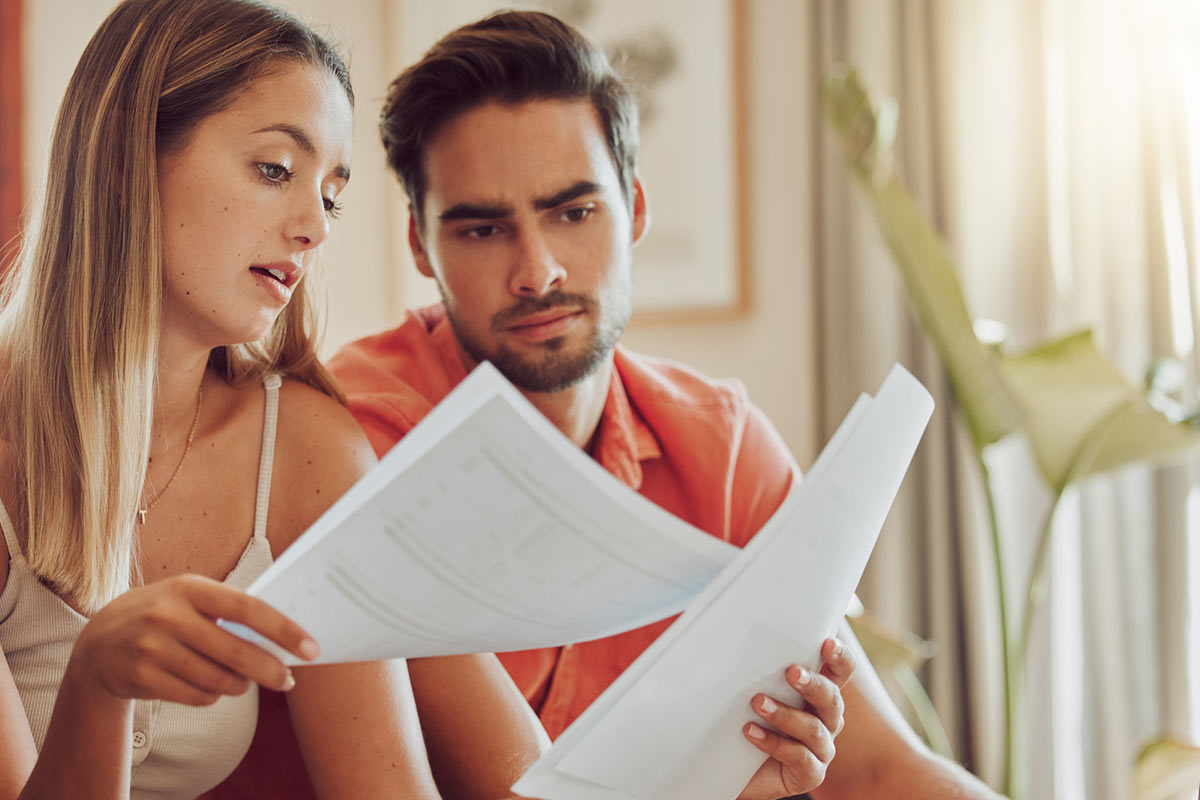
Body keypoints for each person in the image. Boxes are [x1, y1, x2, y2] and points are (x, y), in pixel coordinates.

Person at [212, 10, 1006, 800]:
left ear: (636, 207)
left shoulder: (722, 453)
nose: (538, 271)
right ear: (421, 245)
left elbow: (884, 772)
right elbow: (519, 788)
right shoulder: (352, 436)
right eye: (484, 230)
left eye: (574, 212)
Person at [0, 1, 448, 797]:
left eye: (330, 194)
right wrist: (98, 688)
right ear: (125, 159)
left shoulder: (308, 452)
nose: (314, 228)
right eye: (275, 170)